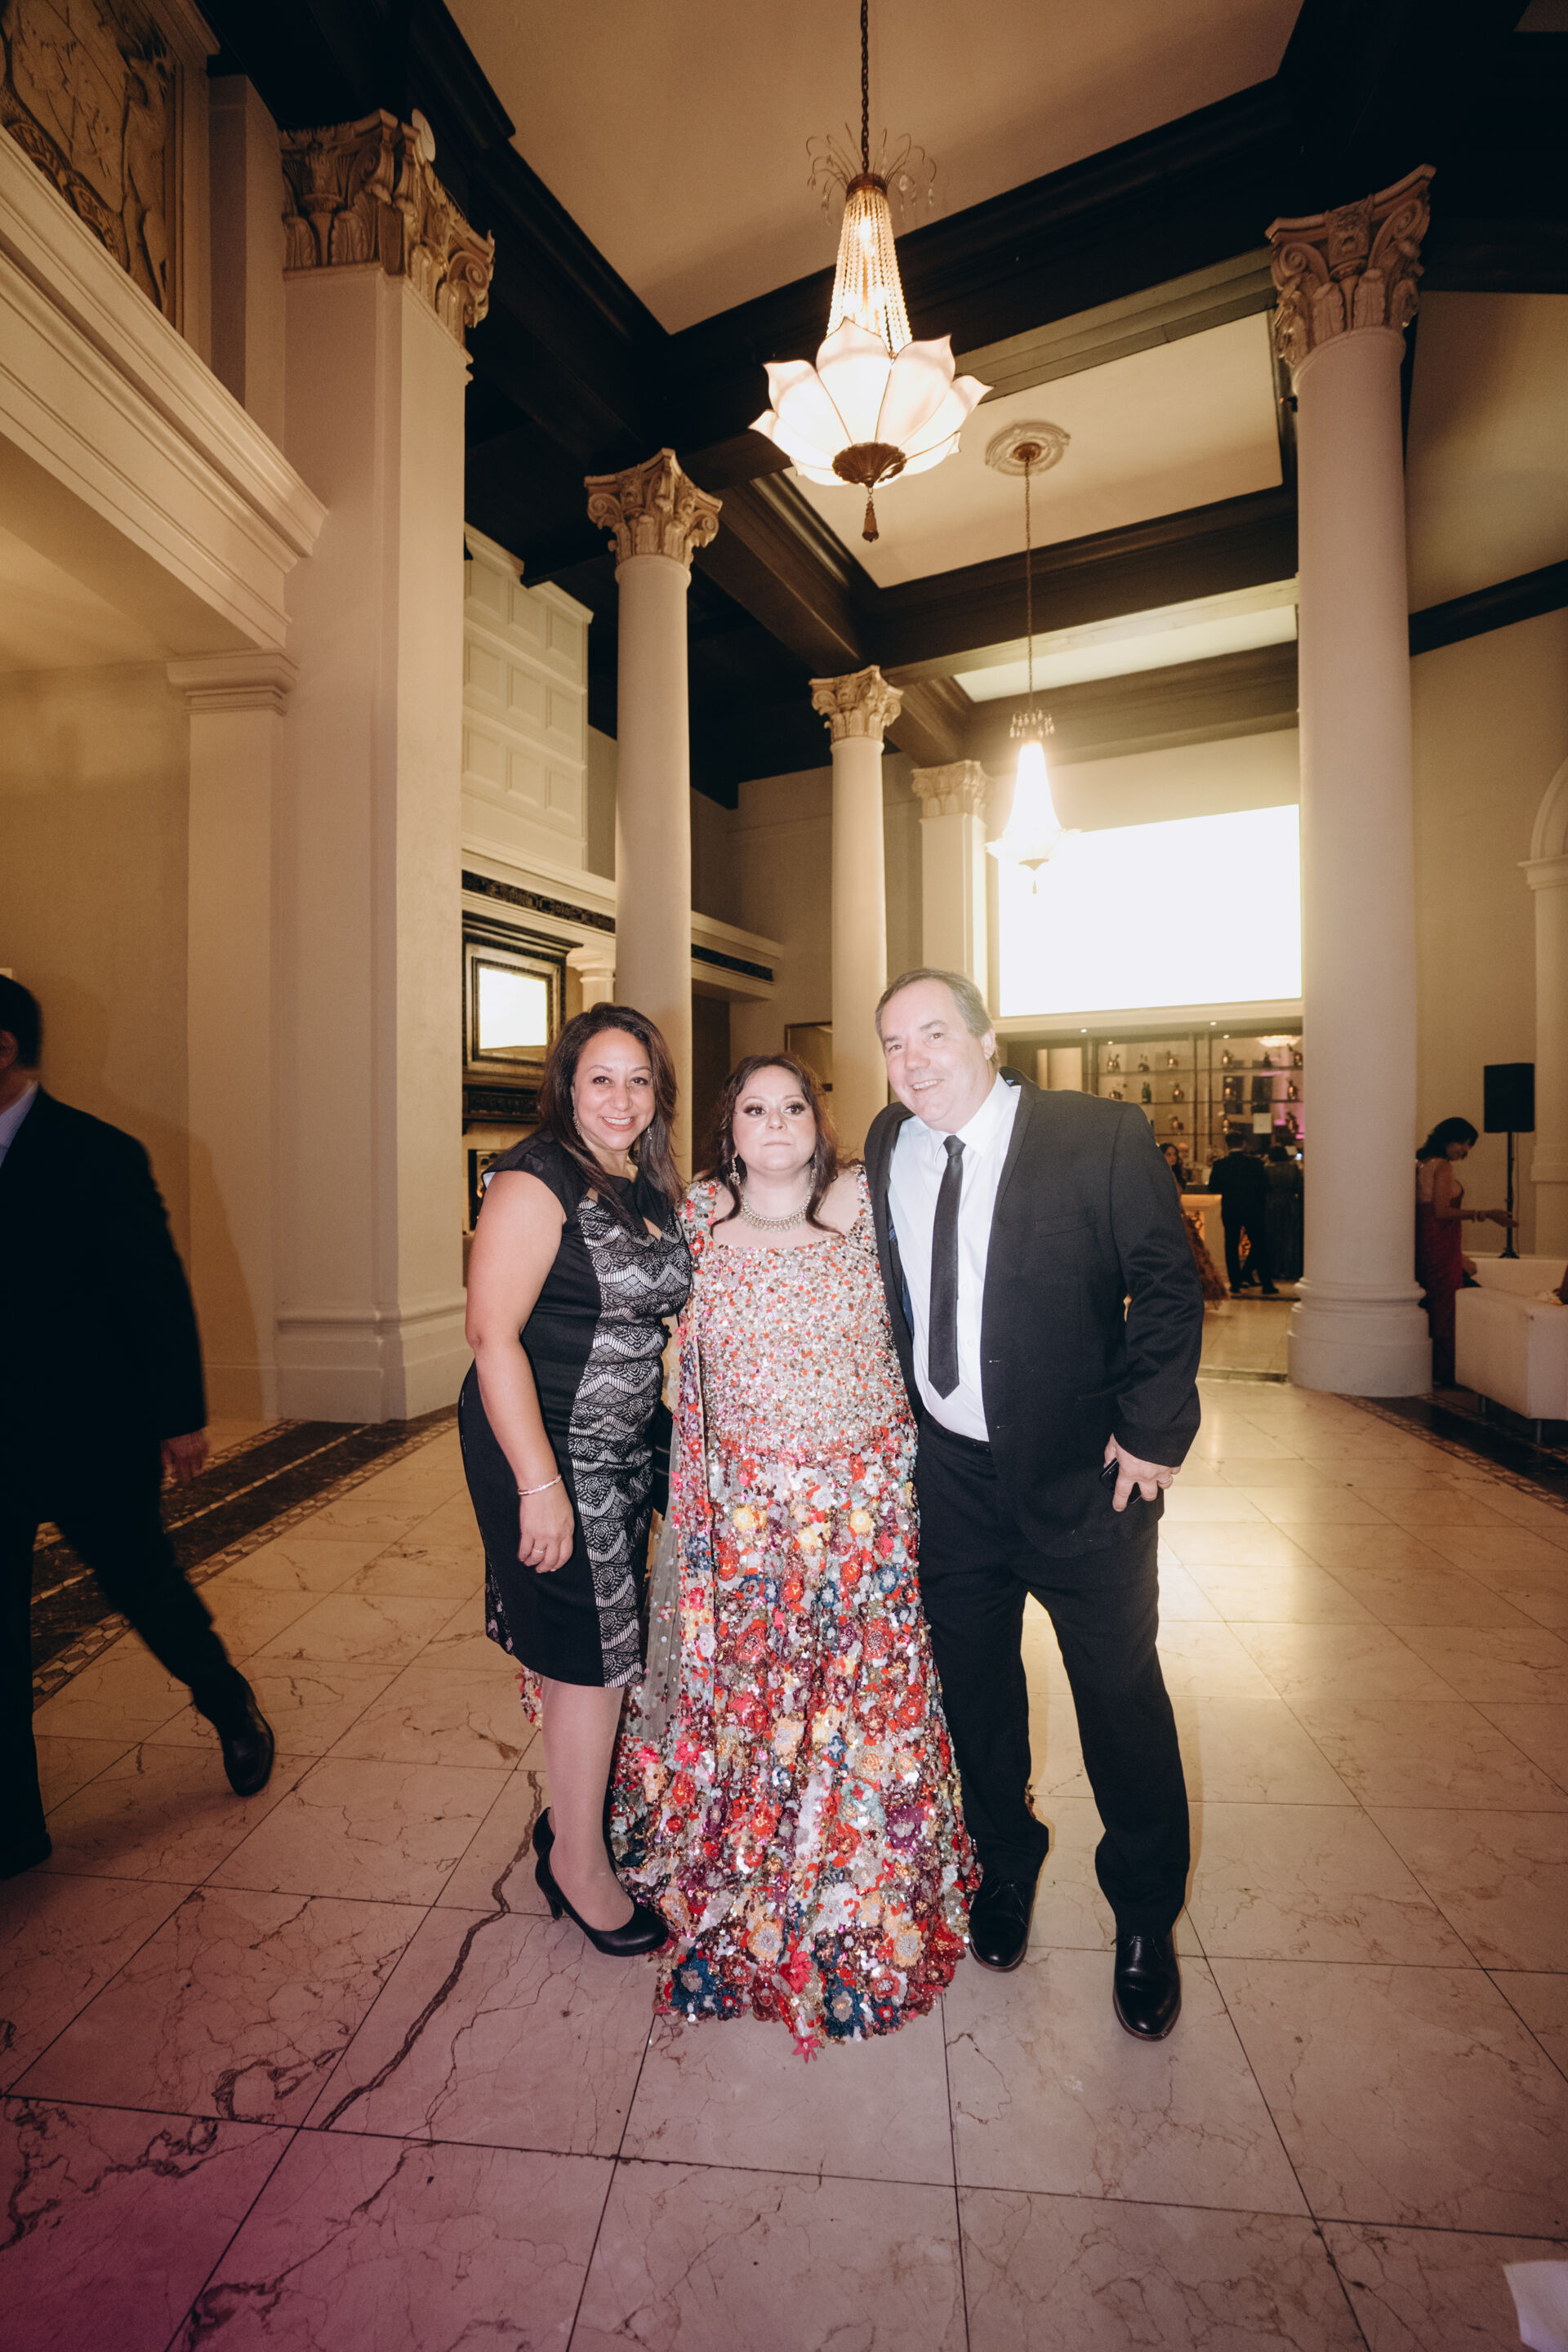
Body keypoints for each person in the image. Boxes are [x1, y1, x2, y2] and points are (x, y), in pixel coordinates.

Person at [612, 1054, 974, 2053]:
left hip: (863, 1509)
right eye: (754, 1108)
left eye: (793, 1107)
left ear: (820, 1122)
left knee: (861, 1690)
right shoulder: (695, 1218)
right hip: (748, 1515)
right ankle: (755, 1858)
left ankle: (864, 1873)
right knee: (765, 1688)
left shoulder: (866, 1201)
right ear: (728, 1129)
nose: (775, 1123)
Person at [867, 971, 1203, 2038]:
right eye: (893, 1043)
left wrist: (1152, 1428)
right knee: (975, 1694)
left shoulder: (1096, 1135)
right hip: (952, 1482)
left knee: (1119, 1700)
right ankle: (1003, 1865)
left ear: (986, 1038)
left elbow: (1167, 1283)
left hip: (1084, 1478)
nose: (914, 1060)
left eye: (933, 1033)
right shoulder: (888, 1143)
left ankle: (1144, 1915)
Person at [0, 978, 274, 1882]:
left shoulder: (98, 1154)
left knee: (144, 1588)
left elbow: (153, 1292)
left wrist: (179, 1417)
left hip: (91, 1428)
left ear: (4, 1048)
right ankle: (13, 1832)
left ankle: (227, 1702)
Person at [460, 1004, 690, 1956]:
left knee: (598, 1645)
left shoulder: (642, 1182)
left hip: (624, 1439)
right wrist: (539, 1485)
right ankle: (577, 1867)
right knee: (592, 1659)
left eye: (639, 1080)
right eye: (602, 1078)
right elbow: (491, 1336)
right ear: (566, 1085)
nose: (621, 1098)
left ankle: (574, 1819)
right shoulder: (536, 1176)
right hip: (544, 1441)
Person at [1414, 1116, 1515, 1386]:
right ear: (1448, 1139)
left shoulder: (1421, 1163)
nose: (1466, 1150)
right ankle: (1447, 1371)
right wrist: (1486, 1214)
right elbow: (1441, 1211)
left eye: (1469, 1145)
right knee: (1446, 1303)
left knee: (1435, 1301)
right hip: (1440, 1240)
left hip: (1427, 1241)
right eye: (1463, 1143)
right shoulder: (1442, 1166)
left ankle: (1434, 1368)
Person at [1209, 1133, 1277, 1297]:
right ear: (1244, 1144)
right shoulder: (1255, 1163)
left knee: (1231, 1245)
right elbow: (1265, 1186)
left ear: (1227, 1145)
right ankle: (1266, 1284)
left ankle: (1235, 1283)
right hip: (1253, 1209)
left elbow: (1213, 1188)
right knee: (1259, 1245)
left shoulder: (1220, 1165)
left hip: (1230, 1209)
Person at [1265, 1143, 1304, 1283]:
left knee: (1272, 1237)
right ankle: (1290, 1269)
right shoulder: (1293, 1168)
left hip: (1271, 1204)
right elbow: (1300, 1187)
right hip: (1290, 1203)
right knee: (1290, 1237)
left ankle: (1274, 1268)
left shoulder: (1266, 1169)